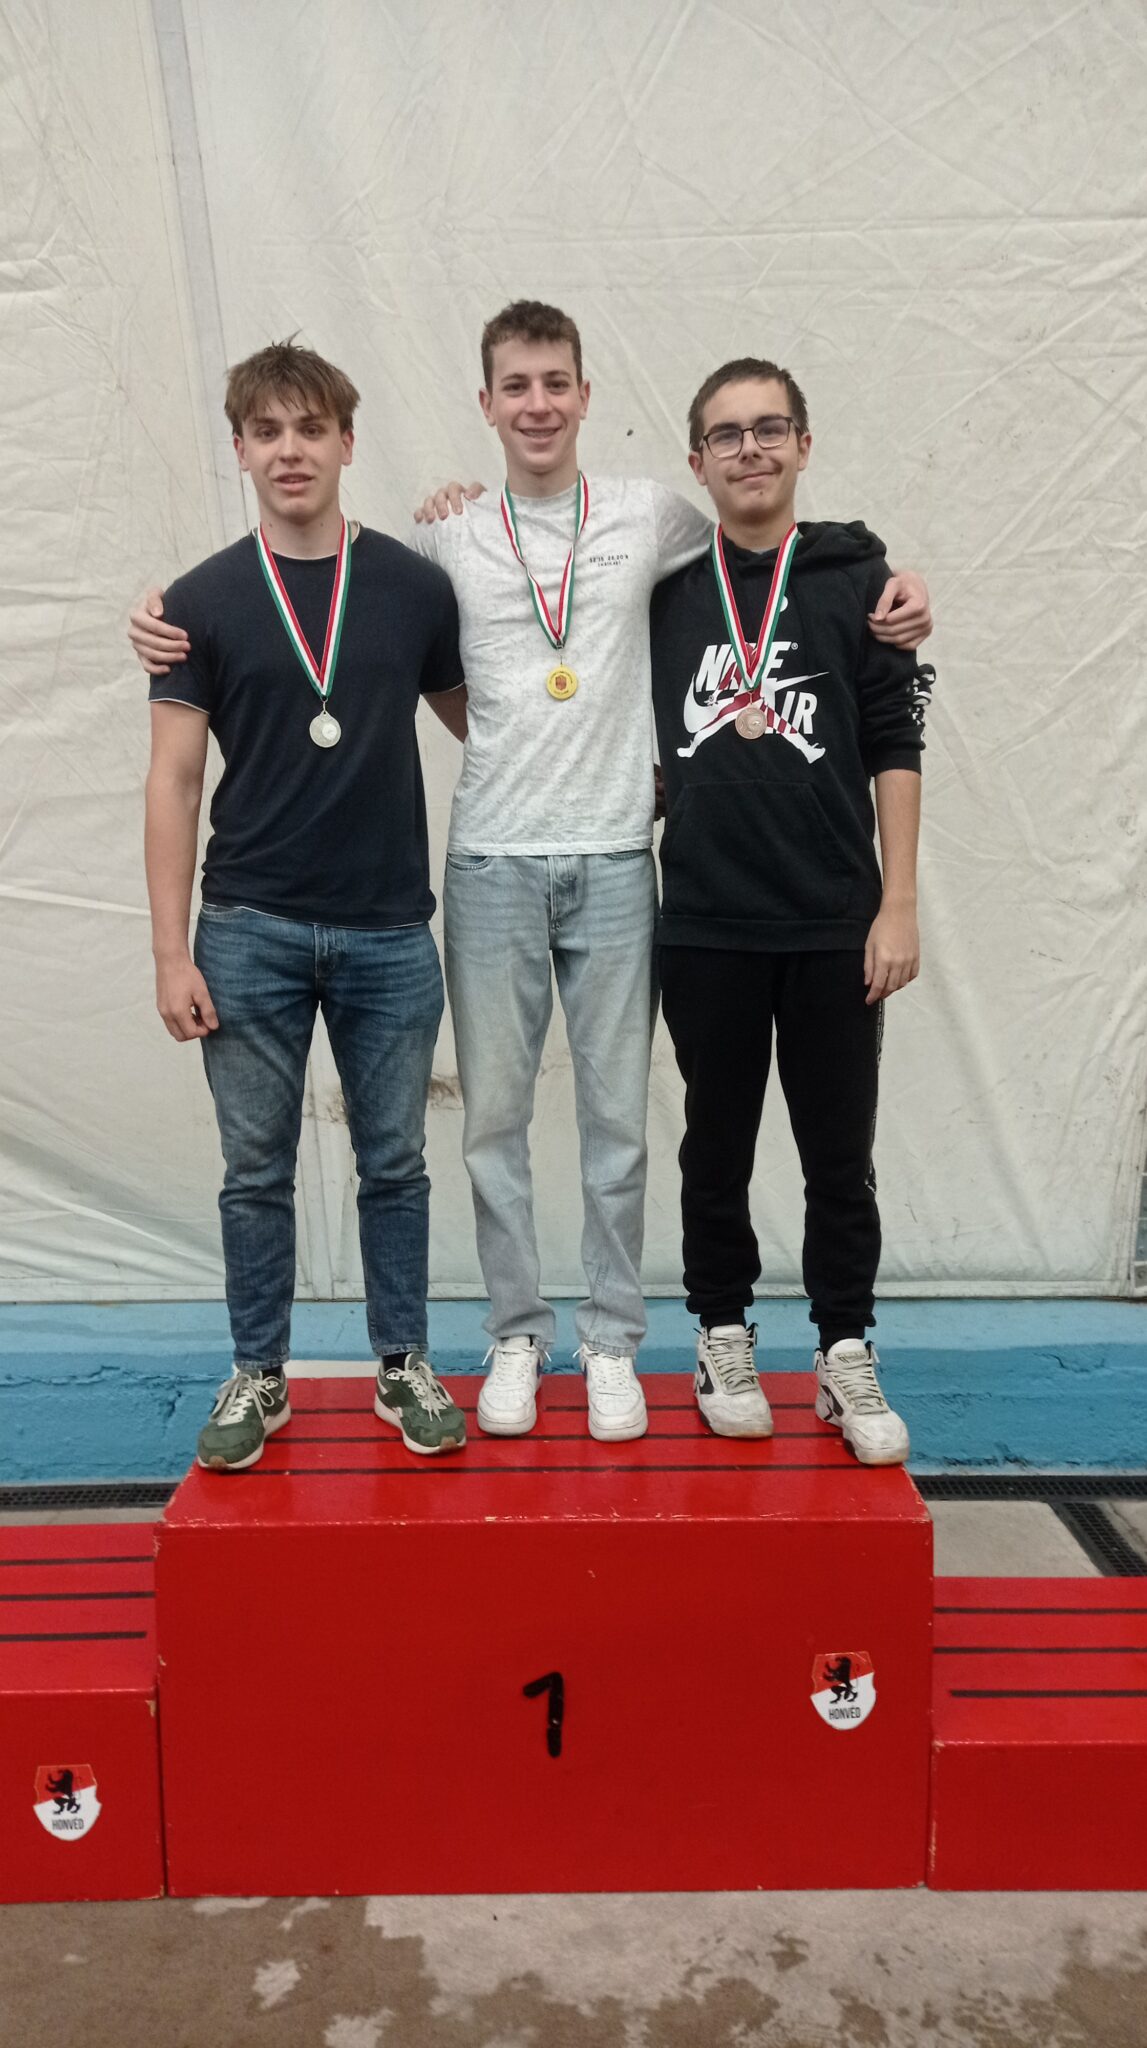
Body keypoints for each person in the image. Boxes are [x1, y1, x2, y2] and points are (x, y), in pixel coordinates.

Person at [133, 302, 932, 1449]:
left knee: (616, 1128)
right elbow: (438, 685)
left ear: (585, 395)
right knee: (487, 1129)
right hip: (487, 866)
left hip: (611, 861)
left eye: (556, 381)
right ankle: (514, 1335)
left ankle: (610, 1343)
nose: (539, 403)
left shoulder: (650, 516)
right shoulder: (442, 544)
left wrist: (890, 576)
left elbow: (768, 536)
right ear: (487, 402)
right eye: (516, 385)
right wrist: (152, 617)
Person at [142, 340, 468, 1471]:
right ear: (239, 449)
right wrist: (169, 953)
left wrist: (483, 535)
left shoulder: (416, 587)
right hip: (248, 930)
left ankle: (402, 1361)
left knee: (395, 1164)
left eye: (311, 428)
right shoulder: (197, 602)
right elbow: (173, 781)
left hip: (389, 929)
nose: (291, 450)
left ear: (346, 441)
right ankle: (259, 1372)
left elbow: (493, 722)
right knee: (254, 1172)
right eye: (268, 431)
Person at [649, 355, 932, 1463]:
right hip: (706, 917)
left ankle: (843, 1347)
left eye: (770, 428)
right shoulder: (664, 584)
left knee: (837, 1156)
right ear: (696, 461)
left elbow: (896, 741)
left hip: (832, 920)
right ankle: (721, 1332)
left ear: (803, 445)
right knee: (713, 1147)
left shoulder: (857, 580)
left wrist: (896, 903)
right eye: (726, 434)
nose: (750, 449)